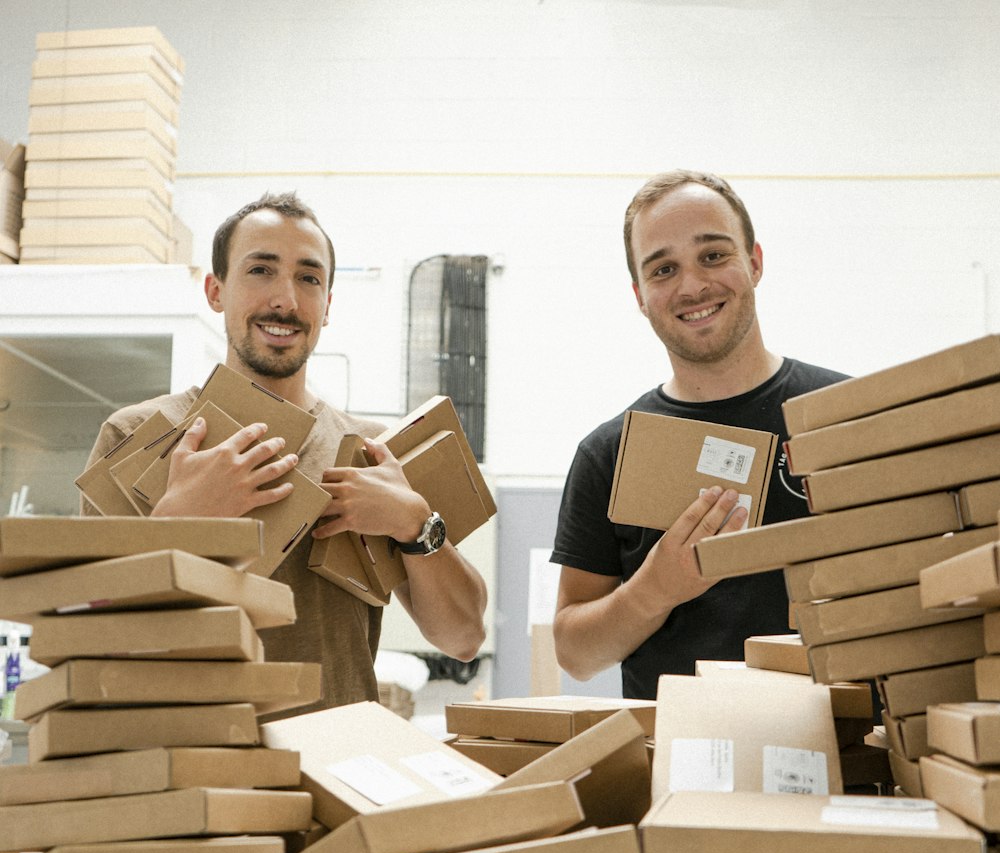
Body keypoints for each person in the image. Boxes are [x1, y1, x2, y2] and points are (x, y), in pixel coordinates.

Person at [80, 192, 487, 713]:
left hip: (338, 773)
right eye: (261, 270)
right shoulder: (136, 435)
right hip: (193, 770)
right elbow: (92, 644)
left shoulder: (374, 455)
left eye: (309, 278)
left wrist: (414, 524)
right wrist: (181, 522)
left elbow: (463, 636)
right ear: (215, 291)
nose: (286, 301)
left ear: (328, 305)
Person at [550, 169, 848, 699]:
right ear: (641, 296)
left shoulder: (845, 418)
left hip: (845, 755)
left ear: (754, 262)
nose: (692, 286)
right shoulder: (609, 454)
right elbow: (575, 653)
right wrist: (653, 590)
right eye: (664, 269)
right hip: (683, 763)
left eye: (713, 255)